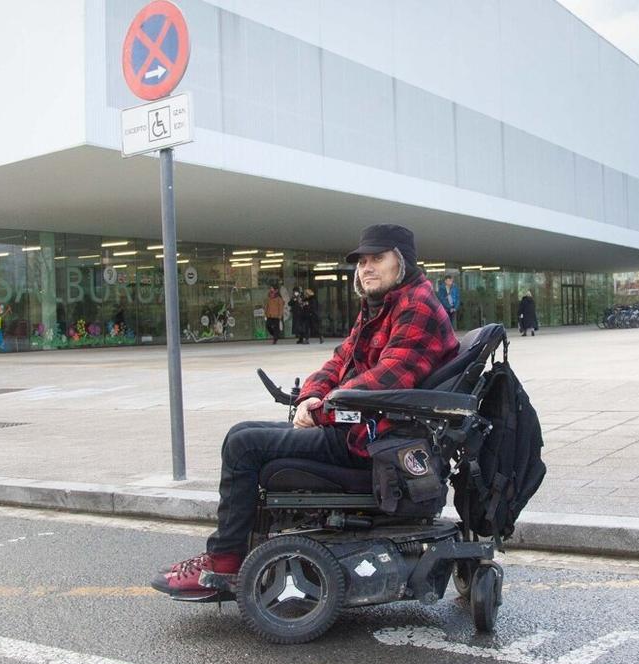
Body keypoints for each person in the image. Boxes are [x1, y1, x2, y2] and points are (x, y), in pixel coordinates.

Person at [151, 223, 459, 597]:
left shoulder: (417, 307)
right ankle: (233, 553)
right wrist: (310, 397)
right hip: (360, 431)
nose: (366, 268)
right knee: (241, 433)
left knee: (243, 445)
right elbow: (340, 360)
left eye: (377, 258)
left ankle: (225, 561)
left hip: (372, 446)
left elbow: (386, 381)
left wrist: (322, 412)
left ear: (403, 263)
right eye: (362, 262)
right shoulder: (381, 306)